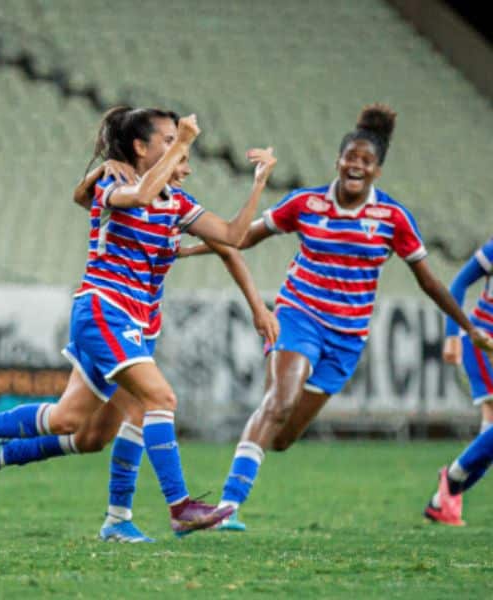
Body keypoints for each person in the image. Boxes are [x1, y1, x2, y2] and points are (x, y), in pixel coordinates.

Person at [0, 106, 277, 537]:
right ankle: (179, 507)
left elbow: (232, 237)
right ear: (139, 147)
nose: (180, 156)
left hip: (139, 322)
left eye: (178, 144)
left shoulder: (178, 203)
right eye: (168, 143)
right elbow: (135, 197)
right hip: (104, 311)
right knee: (160, 399)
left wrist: (258, 184)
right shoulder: (115, 181)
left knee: (73, 424)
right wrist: (186, 141)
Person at [176, 104, 493, 531]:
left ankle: (252, 454)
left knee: (283, 437)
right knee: (279, 402)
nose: (356, 165)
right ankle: (228, 506)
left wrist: (468, 326)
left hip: (347, 338)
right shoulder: (304, 203)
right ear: (338, 160)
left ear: (377, 171)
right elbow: (245, 237)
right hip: (298, 315)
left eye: (366, 161)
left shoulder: (393, 219)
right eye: (350, 157)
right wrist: (194, 247)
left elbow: (431, 282)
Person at [423, 236, 493, 526]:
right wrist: (452, 334)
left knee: (488, 436)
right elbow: (459, 284)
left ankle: (440, 502)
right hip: (482, 339)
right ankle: (452, 480)